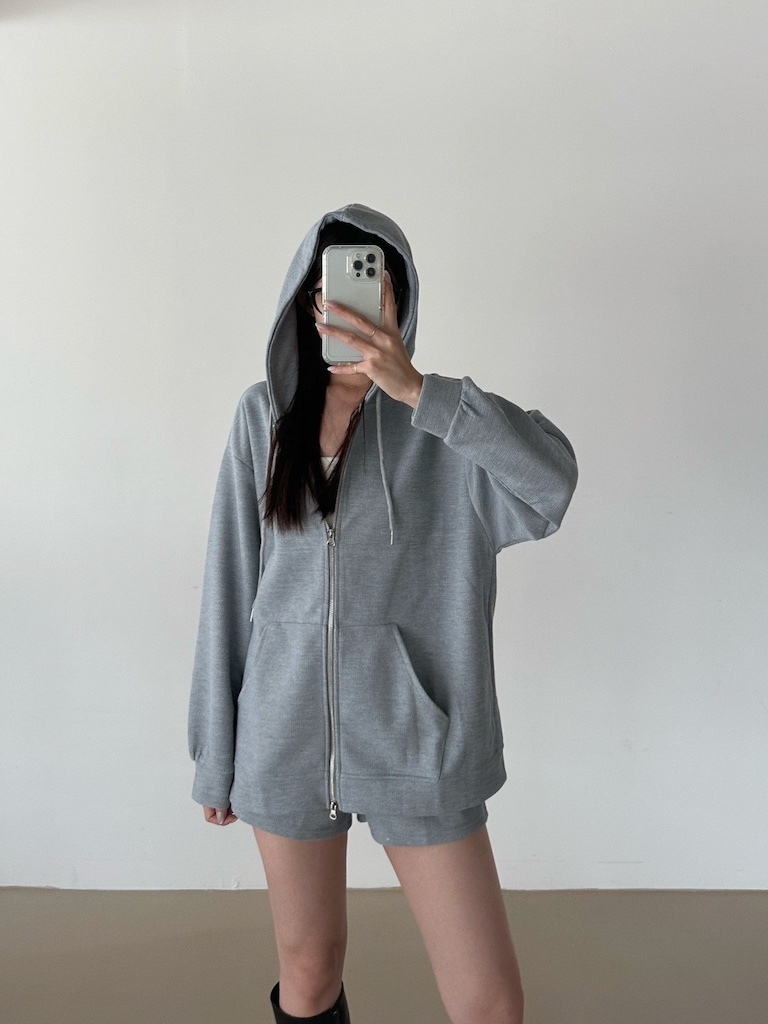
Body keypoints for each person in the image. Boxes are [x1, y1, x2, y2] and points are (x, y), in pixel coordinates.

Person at [187, 203, 578, 1024]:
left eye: (372, 291)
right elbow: (229, 588)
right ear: (308, 306)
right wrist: (216, 755)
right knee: (309, 970)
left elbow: (551, 487)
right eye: (329, 293)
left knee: (490, 1002)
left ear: (398, 303)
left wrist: (421, 392)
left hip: (418, 739)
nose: (349, 310)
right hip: (284, 737)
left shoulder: (446, 430)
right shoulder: (262, 419)